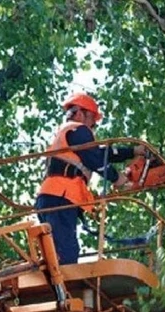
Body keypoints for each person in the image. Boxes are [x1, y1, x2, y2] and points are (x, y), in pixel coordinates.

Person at [35, 92, 145, 265]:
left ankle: (58, 285)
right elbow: (94, 159)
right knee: (66, 253)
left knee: (58, 250)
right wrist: (117, 178)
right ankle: (62, 289)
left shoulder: (68, 134)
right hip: (60, 196)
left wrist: (132, 152)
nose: (93, 127)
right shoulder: (78, 130)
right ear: (80, 113)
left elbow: (101, 153)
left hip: (52, 196)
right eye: (92, 121)